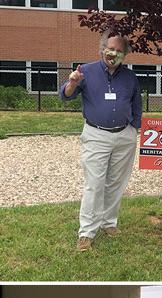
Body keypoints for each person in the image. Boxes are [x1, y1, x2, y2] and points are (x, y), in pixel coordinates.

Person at [59, 29, 142, 252]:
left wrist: (134, 129)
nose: (113, 53)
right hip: (96, 134)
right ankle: (86, 231)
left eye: (119, 51)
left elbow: (136, 104)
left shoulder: (130, 77)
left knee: (116, 183)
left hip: (124, 135)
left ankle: (109, 223)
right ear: (102, 48)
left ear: (125, 54)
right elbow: (65, 95)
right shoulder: (84, 71)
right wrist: (73, 83)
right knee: (94, 185)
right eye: (111, 49)